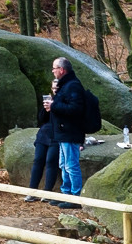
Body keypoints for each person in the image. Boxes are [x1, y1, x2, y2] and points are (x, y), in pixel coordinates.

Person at [48, 57, 87, 209]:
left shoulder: (73, 86)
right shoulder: (64, 86)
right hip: (63, 132)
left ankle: (75, 197)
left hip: (71, 132)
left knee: (71, 165)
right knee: (63, 164)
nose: (53, 71)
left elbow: (76, 109)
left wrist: (54, 105)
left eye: (54, 68)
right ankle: (66, 194)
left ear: (62, 70)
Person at [23, 78, 61, 202]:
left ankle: (47, 192)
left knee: (51, 161)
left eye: (58, 87)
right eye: (54, 88)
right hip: (44, 134)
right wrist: (46, 109)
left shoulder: (65, 101)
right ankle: (32, 191)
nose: (55, 90)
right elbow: (41, 119)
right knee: (38, 160)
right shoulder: (50, 100)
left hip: (57, 136)